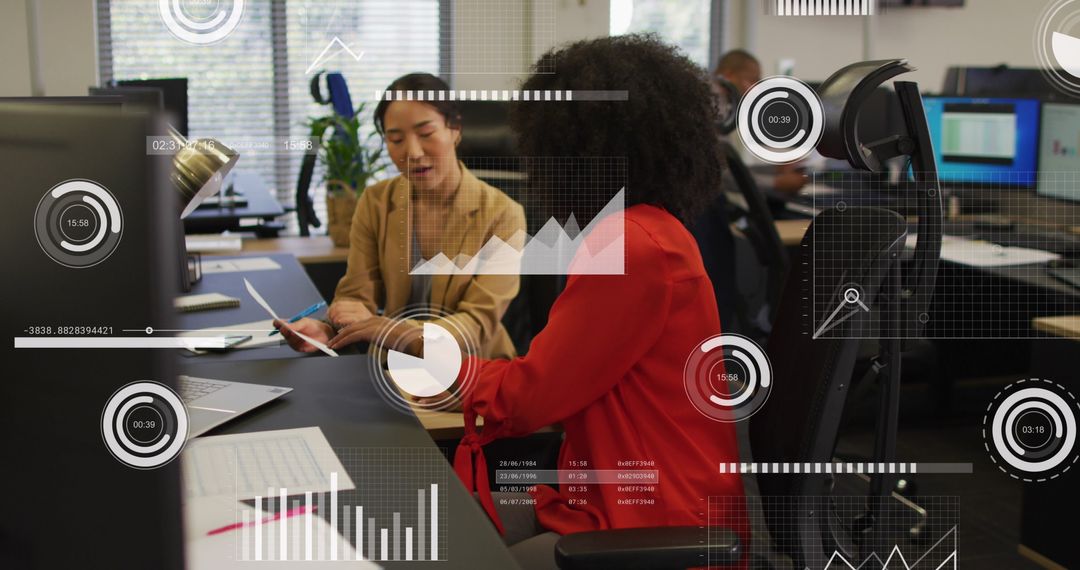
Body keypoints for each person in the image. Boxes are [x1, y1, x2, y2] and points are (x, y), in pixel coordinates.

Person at [443, 35, 748, 570]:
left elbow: (529, 399)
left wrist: (440, 373)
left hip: (652, 519)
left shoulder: (631, 247)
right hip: (624, 488)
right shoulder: (652, 230)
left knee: (438, 545)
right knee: (445, 523)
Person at [276, 73, 525, 359]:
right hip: (391, 368)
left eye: (426, 134)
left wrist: (388, 330)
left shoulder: (503, 214)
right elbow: (357, 297)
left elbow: (477, 324)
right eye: (395, 139)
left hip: (471, 373)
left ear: (455, 128)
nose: (413, 152)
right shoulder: (376, 202)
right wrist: (330, 331)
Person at [715, 49, 808, 198]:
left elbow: (731, 168)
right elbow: (722, 176)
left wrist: (774, 170)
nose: (755, 88)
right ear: (728, 75)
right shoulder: (713, 105)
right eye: (752, 80)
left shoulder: (725, 107)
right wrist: (776, 182)